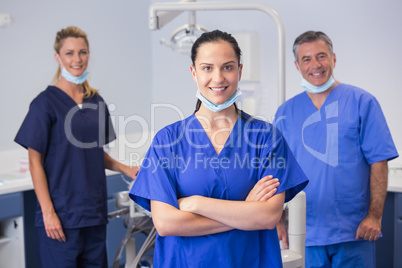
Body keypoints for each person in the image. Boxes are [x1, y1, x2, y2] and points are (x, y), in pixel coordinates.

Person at [129, 29, 308, 267]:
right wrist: (245, 212)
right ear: (193, 72)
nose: (218, 78)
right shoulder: (168, 141)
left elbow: (268, 216)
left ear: (239, 71)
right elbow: (166, 223)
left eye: (227, 67)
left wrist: (195, 203)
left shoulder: (266, 138)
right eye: (207, 68)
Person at [14, 26, 139, 268]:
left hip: (93, 212)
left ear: (89, 54)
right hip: (61, 216)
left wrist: (125, 168)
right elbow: (34, 161)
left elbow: (93, 154)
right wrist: (48, 213)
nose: (77, 59)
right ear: (58, 57)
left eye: (82, 52)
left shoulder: (96, 102)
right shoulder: (45, 104)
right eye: (70, 53)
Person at [274, 31, 399, 267]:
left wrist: (374, 216)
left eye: (321, 56)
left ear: (333, 58)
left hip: (355, 230)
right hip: (304, 231)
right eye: (307, 59)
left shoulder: (362, 102)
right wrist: (277, 220)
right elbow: (278, 171)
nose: (316, 65)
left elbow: (379, 162)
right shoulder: (286, 112)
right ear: (297, 65)